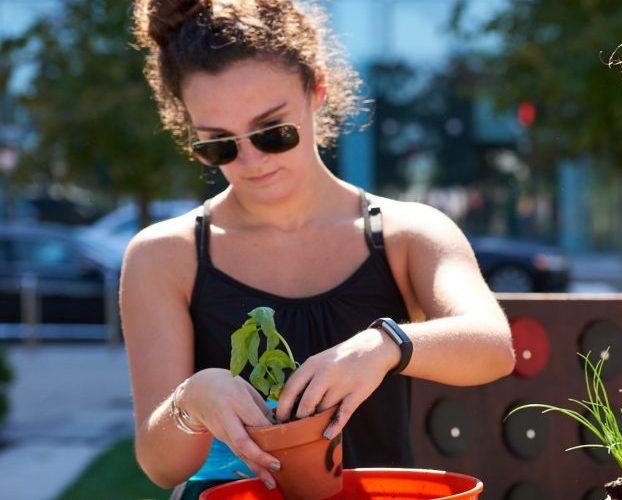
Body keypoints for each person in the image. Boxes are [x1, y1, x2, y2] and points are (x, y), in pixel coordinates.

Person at [122, 1, 515, 498]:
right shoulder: (164, 255)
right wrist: (191, 401)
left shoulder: (405, 233)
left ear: (317, 91)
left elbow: (492, 346)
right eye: (218, 144)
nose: (250, 160)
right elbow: (160, 466)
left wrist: (383, 346)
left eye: (273, 132)